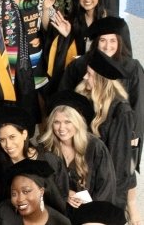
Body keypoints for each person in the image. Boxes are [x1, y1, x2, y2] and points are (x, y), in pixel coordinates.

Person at [59, 16, 143, 172]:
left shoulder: (132, 67)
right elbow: (64, 96)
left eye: (113, 41)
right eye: (103, 40)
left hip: (124, 132)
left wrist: (134, 136)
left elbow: (139, 105)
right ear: (96, 42)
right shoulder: (81, 65)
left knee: (124, 175)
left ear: (120, 42)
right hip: (90, 131)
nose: (107, 46)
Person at [0, 102, 68, 224]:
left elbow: (62, 197)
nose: (8, 145)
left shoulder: (50, 161)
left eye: (12, 137)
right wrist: (4, 213)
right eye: (2, 140)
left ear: (24, 134)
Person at [75, 49, 140, 222]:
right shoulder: (87, 100)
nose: (84, 78)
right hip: (86, 182)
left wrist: (119, 205)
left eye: (89, 75)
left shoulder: (120, 112)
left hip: (108, 189)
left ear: (101, 81)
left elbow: (121, 164)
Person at [39, 90, 117, 217]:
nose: (61, 128)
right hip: (56, 214)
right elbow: (39, 184)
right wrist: (65, 194)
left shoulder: (95, 147)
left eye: (67, 122)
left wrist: (94, 215)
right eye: (56, 122)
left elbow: (106, 187)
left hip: (91, 213)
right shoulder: (45, 148)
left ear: (77, 122)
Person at [0, 159, 70, 225]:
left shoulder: (60, 222)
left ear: (41, 191)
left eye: (26, 191)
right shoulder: (3, 214)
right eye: (14, 194)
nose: (20, 199)